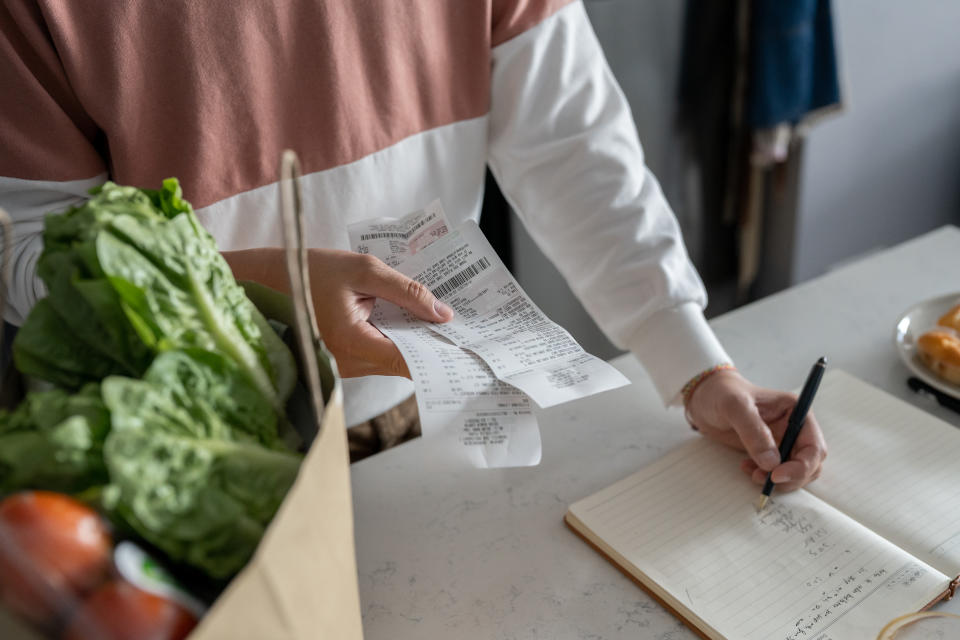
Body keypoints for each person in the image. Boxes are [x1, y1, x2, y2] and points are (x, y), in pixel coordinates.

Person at [0, 0, 825, 488]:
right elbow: (31, 255)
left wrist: (695, 363)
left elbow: (573, 145)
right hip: (174, 454)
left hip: (415, 425)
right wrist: (260, 297)